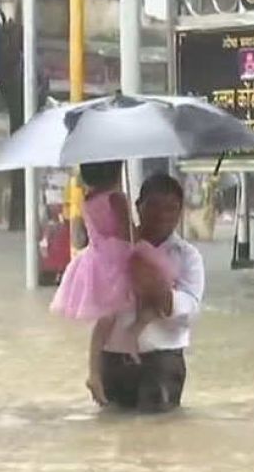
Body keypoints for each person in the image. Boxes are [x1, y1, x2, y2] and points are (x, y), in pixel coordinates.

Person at [50, 162, 178, 407]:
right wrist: (142, 242)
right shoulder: (116, 198)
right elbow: (126, 231)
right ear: (118, 172)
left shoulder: (88, 199)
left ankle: (95, 369)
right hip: (119, 256)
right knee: (151, 293)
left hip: (97, 257)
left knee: (107, 318)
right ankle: (133, 334)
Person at [99, 174, 205, 412]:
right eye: (153, 206)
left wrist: (159, 288)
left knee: (159, 434)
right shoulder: (114, 248)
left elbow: (191, 310)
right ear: (138, 207)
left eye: (171, 208)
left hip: (161, 359)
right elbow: (99, 304)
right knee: (111, 434)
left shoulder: (187, 256)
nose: (162, 215)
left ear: (181, 211)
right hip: (113, 357)